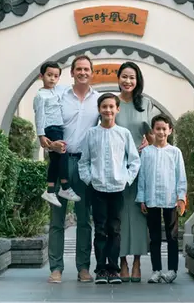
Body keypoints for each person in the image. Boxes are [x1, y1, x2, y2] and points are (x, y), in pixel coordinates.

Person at [46, 55, 100, 284]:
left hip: (85, 164)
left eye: (86, 69)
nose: (82, 73)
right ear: (72, 72)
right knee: (57, 217)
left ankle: (83, 267)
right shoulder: (60, 96)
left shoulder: (98, 100)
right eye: (79, 69)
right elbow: (47, 122)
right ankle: (56, 268)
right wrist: (48, 142)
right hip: (60, 161)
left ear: (91, 73)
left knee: (84, 218)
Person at [78, 93, 141, 285]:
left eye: (111, 107)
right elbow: (84, 162)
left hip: (117, 189)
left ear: (117, 109)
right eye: (104, 106)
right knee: (100, 230)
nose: (108, 110)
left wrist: (126, 180)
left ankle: (113, 270)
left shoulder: (123, 133)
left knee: (114, 229)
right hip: (97, 188)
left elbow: (134, 161)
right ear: (99, 109)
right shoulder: (91, 134)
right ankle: (101, 269)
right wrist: (89, 180)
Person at [136, 114, 187, 284]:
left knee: (172, 236)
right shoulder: (146, 153)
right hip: (151, 199)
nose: (161, 132)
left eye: (164, 129)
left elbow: (181, 177)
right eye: (158, 129)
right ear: (153, 130)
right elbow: (142, 177)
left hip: (170, 199)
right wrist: (142, 198)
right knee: (155, 237)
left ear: (170, 130)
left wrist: (181, 197)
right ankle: (156, 270)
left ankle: (172, 270)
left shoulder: (175, 152)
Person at [115, 62, 153, 282]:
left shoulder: (145, 103)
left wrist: (149, 142)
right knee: (118, 214)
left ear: (137, 81)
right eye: (124, 76)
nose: (128, 81)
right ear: (118, 78)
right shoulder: (113, 103)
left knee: (139, 214)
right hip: (116, 168)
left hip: (140, 166)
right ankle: (122, 262)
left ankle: (137, 262)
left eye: (132, 77)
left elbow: (154, 134)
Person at [34, 61, 81, 207]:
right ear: (41, 76)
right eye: (49, 75)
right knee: (63, 153)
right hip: (51, 128)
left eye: (56, 76)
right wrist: (41, 135)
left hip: (59, 128)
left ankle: (50, 190)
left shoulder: (59, 90)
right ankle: (65, 187)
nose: (52, 79)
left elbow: (72, 88)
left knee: (55, 160)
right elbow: (39, 116)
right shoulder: (40, 96)